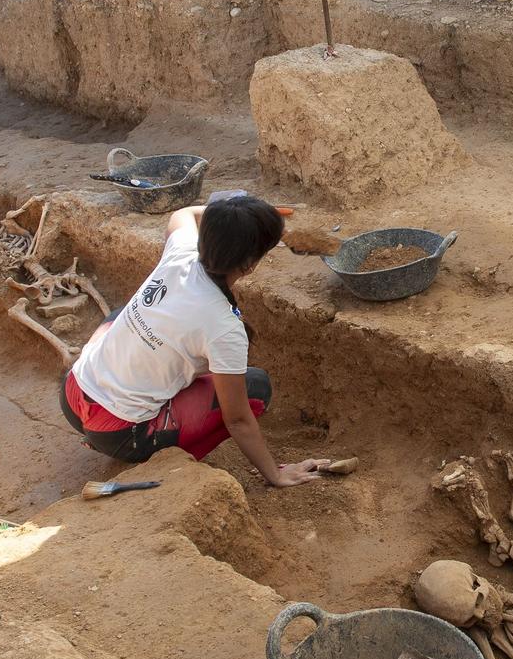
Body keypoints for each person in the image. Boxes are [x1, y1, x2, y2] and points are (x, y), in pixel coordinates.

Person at [60, 193, 329, 487]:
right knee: (255, 388)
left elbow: (185, 213)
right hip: (122, 434)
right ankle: (162, 457)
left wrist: (231, 215)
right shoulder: (224, 327)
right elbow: (237, 419)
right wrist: (276, 475)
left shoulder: (182, 252)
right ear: (249, 264)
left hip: (72, 395)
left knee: (119, 315)